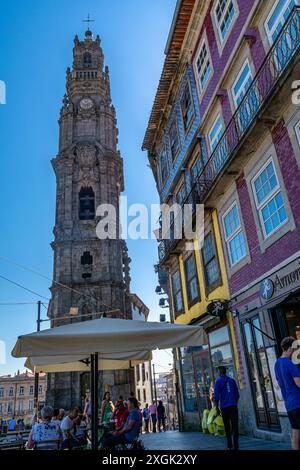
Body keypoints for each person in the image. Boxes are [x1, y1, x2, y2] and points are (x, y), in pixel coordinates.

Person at [275, 336, 300, 450]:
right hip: (298, 401)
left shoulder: (277, 364)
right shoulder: (290, 364)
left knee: (295, 431)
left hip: (289, 404)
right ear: (290, 348)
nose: (295, 351)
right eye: (295, 349)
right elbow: (299, 383)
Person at [214, 366, 240, 451]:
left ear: (220, 372)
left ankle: (229, 445)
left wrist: (216, 408)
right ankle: (236, 446)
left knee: (227, 427)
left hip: (224, 408)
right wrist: (233, 401)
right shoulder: (232, 381)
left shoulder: (218, 382)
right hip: (233, 406)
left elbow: (216, 396)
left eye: (218, 371)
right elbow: (237, 395)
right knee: (235, 427)